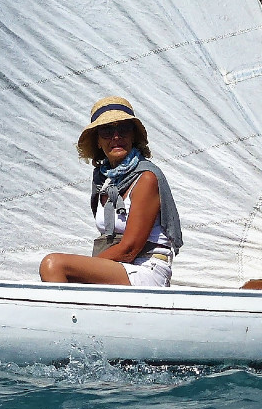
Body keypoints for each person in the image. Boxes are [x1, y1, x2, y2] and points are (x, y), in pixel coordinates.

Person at [39, 96, 183, 287]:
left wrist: (88, 270)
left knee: (53, 265)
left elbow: (129, 249)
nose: (116, 137)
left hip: (147, 267)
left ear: (133, 136)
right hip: (120, 267)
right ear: (98, 141)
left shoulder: (146, 178)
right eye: (107, 131)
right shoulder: (103, 181)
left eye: (123, 128)